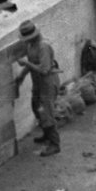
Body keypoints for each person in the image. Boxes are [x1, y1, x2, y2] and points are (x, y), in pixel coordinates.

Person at [15, 21, 62, 155]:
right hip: (38, 83)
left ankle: (54, 144)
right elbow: (33, 63)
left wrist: (26, 63)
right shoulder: (31, 45)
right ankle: (46, 134)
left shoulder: (43, 46)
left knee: (46, 112)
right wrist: (22, 75)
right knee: (36, 107)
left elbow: (45, 70)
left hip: (47, 83)